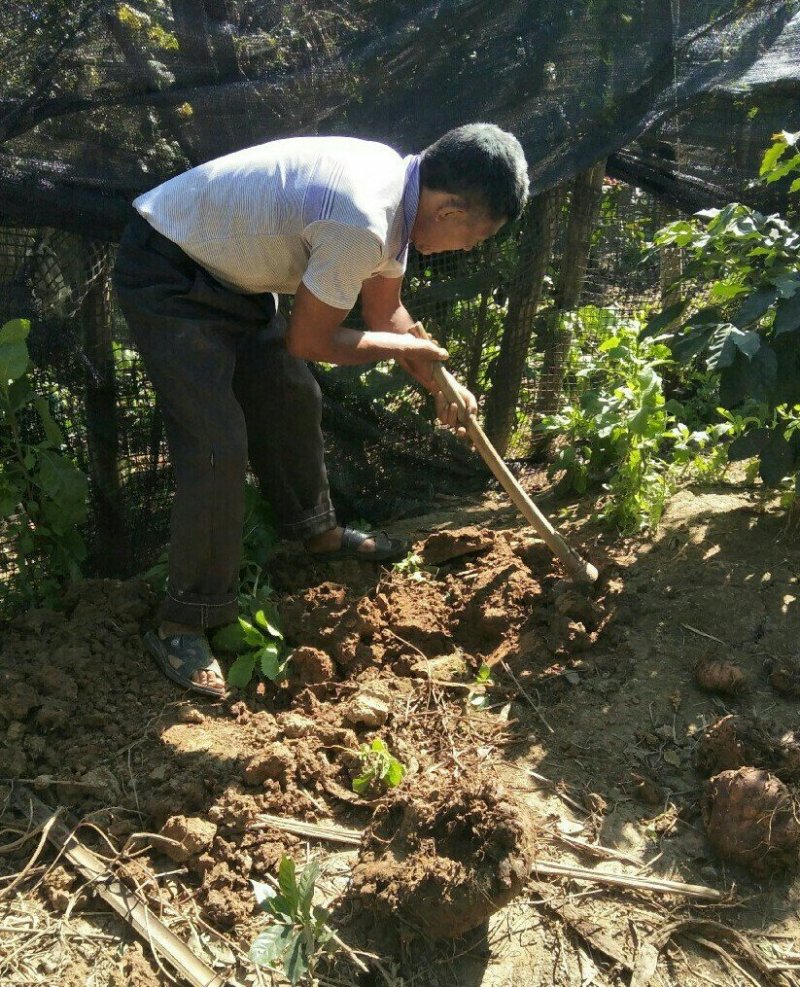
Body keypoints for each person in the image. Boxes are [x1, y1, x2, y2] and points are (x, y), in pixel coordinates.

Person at [113, 123, 529, 697]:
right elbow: (309, 343)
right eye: (474, 238)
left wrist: (442, 383)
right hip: (169, 271)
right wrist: (409, 351)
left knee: (292, 395)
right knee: (217, 444)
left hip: (232, 279)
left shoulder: (399, 198)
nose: (466, 250)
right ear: (452, 209)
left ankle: (317, 533)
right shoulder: (364, 218)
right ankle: (185, 619)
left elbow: (387, 317)